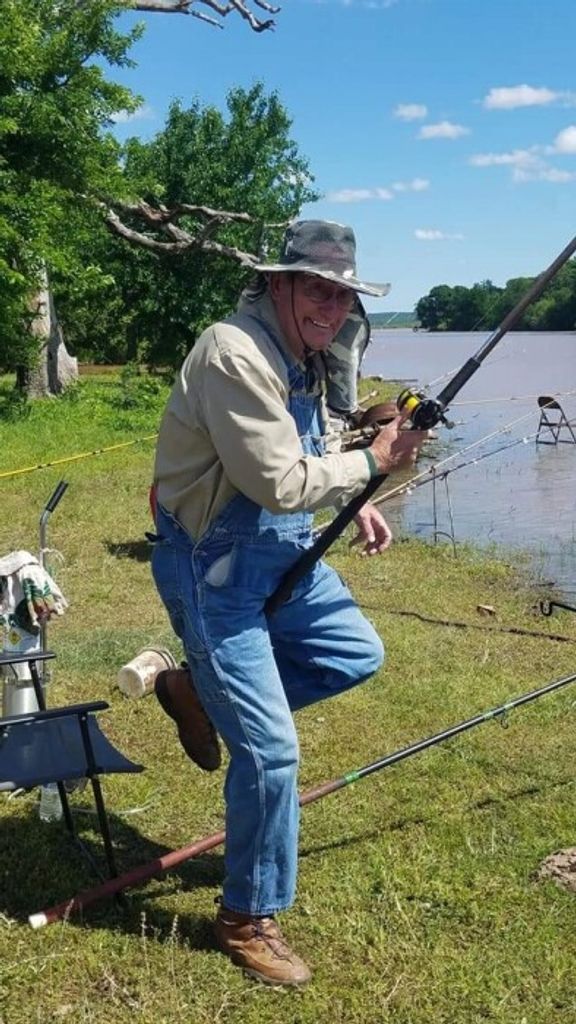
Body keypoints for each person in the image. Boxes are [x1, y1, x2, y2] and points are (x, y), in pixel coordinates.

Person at [149, 219, 428, 987]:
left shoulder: (303, 355)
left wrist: (355, 498)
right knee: (272, 755)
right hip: (214, 570)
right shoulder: (234, 352)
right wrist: (374, 461)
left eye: (342, 297)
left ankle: (194, 691)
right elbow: (275, 480)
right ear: (277, 285)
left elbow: (307, 454)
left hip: (281, 553)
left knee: (354, 653)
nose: (331, 309)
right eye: (316, 290)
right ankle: (247, 917)